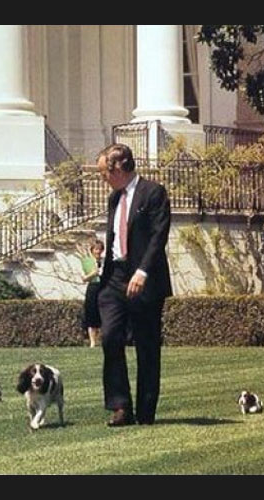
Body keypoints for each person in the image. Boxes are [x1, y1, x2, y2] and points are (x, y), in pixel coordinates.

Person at [96, 143, 172, 427]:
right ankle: (120, 406)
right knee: (111, 337)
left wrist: (142, 272)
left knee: (147, 346)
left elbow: (158, 237)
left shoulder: (153, 193)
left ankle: (146, 412)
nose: (102, 177)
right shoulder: (114, 198)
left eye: (104, 171)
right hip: (114, 277)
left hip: (144, 279)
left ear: (118, 168)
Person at [80, 238, 105, 348]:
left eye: (100, 249)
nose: (98, 251)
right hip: (93, 288)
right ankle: (93, 342)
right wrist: (93, 273)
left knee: (104, 314)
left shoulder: (105, 261)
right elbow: (85, 278)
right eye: (96, 249)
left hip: (104, 287)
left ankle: (103, 339)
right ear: (92, 250)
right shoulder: (87, 261)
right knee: (91, 314)